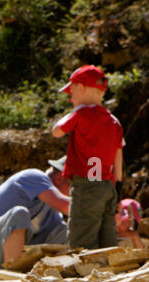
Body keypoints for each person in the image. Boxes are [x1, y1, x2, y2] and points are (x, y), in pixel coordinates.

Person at [0, 160, 71, 281]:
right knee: (18, 214)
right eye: (75, 187)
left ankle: (49, 277)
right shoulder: (34, 176)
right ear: (59, 177)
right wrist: (90, 209)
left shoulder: (50, 211)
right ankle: (13, 280)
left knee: (64, 231)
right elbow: (66, 206)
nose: (74, 194)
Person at [51, 64, 125, 249]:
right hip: (107, 186)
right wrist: (118, 186)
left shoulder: (81, 113)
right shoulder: (114, 121)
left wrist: (74, 112)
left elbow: (57, 131)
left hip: (86, 183)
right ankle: (108, 268)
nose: (71, 98)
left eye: (72, 92)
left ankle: (83, 271)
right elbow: (118, 157)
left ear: (81, 88)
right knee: (107, 235)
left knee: (81, 234)